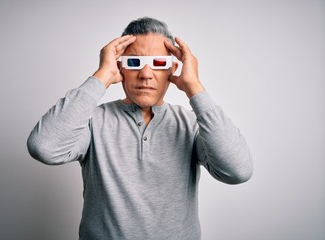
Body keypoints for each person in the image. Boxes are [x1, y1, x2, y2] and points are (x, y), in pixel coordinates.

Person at [27, 17, 253, 240]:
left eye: (158, 63)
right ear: (120, 68)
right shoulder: (92, 122)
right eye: (133, 62)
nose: (146, 74)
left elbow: (238, 171)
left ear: (173, 70)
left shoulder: (193, 125)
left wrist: (194, 87)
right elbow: (44, 147)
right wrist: (101, 77)